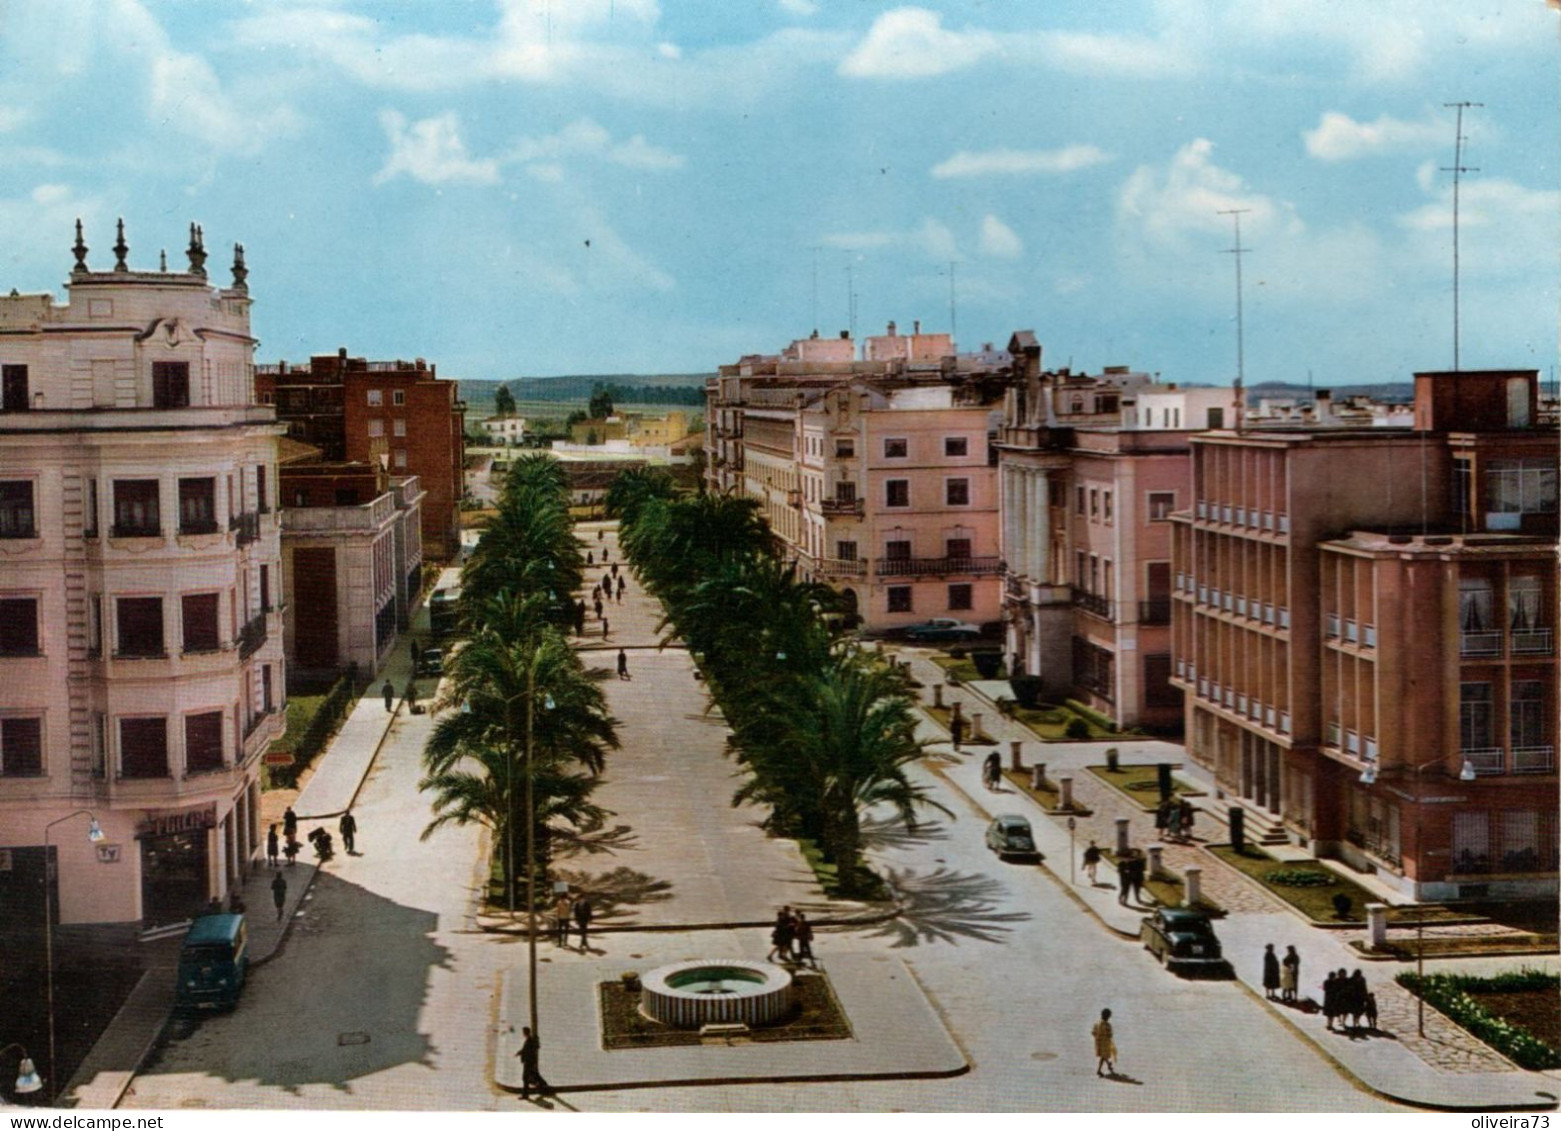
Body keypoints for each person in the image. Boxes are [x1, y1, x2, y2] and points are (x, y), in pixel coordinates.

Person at [515, 1027, 551, 1099]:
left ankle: (525, 1095)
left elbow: (527, 1050)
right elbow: (525, 1050)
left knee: (525, 1078)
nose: (523, 1034)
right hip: (530, 1062)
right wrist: (519, 1053)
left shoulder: (529, 1041)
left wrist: (521, 1053)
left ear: (525, 1033)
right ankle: (545, 1086)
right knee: (535, 1076)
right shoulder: (529, 1040)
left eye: (523, 1032)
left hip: (528, 1062)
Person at [1092, 1008, 1117, 1077]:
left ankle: (1109, 1065)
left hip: (1098, 1043)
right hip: (1105, 1043)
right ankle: (1099, 1070)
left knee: (1104, 1056)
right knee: (1103, 1056)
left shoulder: (1097, 1023)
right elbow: (1110, 1035)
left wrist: (1098, 1037)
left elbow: (1093, 1032)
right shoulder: (1107, 1025)